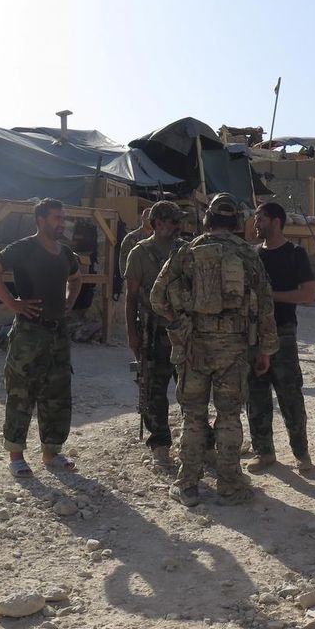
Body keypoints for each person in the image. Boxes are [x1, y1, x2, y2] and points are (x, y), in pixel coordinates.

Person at [151, 193, 279, 507]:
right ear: (236, 220)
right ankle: (230, 485)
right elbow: (264, 305)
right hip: (234, 349)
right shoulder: (248, 255)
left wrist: (180, 326)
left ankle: (188, 485)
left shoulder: (187, 251)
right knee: (229, 417)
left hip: (194, 347)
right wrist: (266, 349)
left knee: (192, 417)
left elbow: (157, 298)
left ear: (207, 218)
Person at [0, 198, 82, 478]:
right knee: (21, 393)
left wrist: (69, 302)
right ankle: (16, 457)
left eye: (63, 218)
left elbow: (77, 278)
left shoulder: (65, 253)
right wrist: (13, 303)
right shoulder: (24, 248)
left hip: (58, 334)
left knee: (57, 394)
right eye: (56, 218)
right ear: (40, 220)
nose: (61, 223)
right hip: (30, 333)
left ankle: (51, 453)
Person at [246, 202, 315, 474]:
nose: (256, 223)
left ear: (276, 222)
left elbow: (308, 294)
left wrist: (270, 297)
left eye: (260, 218)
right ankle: (264, 452)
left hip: (283, 332)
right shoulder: (253, 255)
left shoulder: (295, 253)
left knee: (290, 396)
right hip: (253, 336)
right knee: (256, 396)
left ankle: (301, 453)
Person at [124, 201, 185, 470]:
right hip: (152, 331)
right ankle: (160, 445)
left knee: (191, 390)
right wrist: (132, 335)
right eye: (172, 221)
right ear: (158, 224)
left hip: (182, 331)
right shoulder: (139, 253)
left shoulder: (185, 250)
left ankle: (199, 444)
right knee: (154, 392)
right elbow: (131, 298)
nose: (177, 226)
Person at [119, 207, 152, 277]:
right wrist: (127, 278)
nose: (151, 221)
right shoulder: (132, 237)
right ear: (142, 218)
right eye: (149, 218)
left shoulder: (157, 238)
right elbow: (124, 259)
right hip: (135, 279)